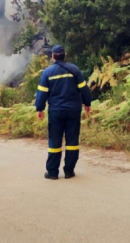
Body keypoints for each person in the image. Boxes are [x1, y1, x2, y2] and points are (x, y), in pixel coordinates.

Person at [35, 45, 92, 180]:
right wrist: (87, 104)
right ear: (64, 55)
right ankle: (69, 171)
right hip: (73, 110)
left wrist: (39, 108)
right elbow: (84, 89)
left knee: (55, 141)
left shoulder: (48, 72)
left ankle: (53, 172)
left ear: (53, 56)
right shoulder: (74, 69)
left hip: (56, 111)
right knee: (72, 141)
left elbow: (42, 93)